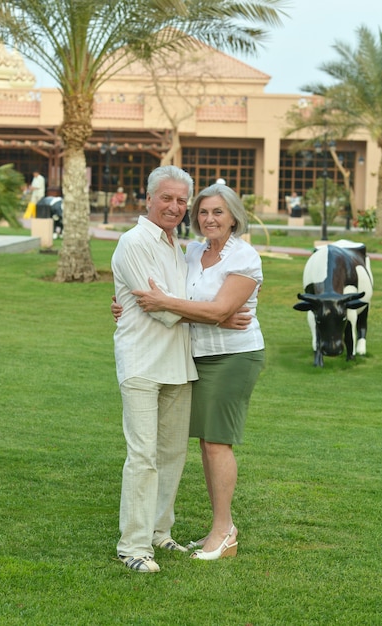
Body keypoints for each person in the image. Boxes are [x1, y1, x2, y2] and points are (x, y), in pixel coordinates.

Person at [116, 183, 265, 561]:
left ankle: (224, 530)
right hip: (193, 358)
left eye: (218, 212)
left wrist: (169, 305)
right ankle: (200, 530)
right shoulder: (192, 251)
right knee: (201, 444)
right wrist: (130, 306)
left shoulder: (244, 257)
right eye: (203, 211)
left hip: (233, 357)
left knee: (216, 442)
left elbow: (208, 309)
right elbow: (167, 294)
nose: (208, 218)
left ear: (233, 217)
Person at [111, 165, 201, 574]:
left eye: (182, 200)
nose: (175, 206)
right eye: (167, 197)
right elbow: (159, 309)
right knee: (143, 456)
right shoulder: (133, 242)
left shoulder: (176, 246)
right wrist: (216, 314)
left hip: (179, 364)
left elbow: (172, 302)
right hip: (142, 362)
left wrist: (179, 304)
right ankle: (133, 546)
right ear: (148, 198)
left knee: (172, 454)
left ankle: (159, 532)